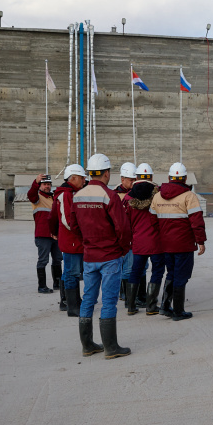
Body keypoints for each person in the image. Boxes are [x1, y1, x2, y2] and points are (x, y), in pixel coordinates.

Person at [68, 153, 131, 359]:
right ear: (106, 173)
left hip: (89, 256)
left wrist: (87, 241)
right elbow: (122, 228)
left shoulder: (77, 196)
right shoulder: (110, 196)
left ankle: (88, 345)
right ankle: (110, 347)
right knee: (109, 301)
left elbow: (74, 225)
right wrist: (122, 248)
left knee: (88, 299)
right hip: (110, 255)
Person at [151, 162, 206, 320]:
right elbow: (196, 222)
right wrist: (200, 241)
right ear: (185, 178)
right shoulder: (189, 196)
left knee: (171, 273)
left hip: (166, 244)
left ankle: (165, 306)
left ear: (169, 178)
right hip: (184, 244)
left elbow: (153, 221)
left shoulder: (157, 196)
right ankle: (178, 311)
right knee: (181, 275)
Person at [49, 164, 88, 317]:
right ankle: (72, 306)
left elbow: (52, 217)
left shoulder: (71, 192)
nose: (84, 180)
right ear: (72, 178)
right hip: (72, 239)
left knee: (71, 271)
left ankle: (72, 301)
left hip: (74, 239)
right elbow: (68, 220)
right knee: (72, 272)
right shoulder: (65, 194)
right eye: (81, 177)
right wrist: (83, 232)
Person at [123, 178, 164, 316]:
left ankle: (131, 305)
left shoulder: (129, 202)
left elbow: (126, 223)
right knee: (157, 271)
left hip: (138, 242)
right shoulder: (157, 199)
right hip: (155, 242)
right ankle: (151, 306)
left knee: (135, 271)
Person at [27, 174, 62, 297]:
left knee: (58, 259)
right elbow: (31, 194)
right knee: (43, 260)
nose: (47, 186)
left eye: (48, 184)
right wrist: (35, 182)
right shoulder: (37, 198)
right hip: (43, 235)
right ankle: (42, 286)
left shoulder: (53, 198)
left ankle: (57, 283)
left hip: (55, 235)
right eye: (44, 184)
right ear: (40, 186)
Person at [115, 163, 137, 303]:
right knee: (127, 267)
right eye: (130, 180)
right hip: (124, 236)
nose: (133, 182)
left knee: (138, 267)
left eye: (135, 179)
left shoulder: (136, 194)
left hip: (136, 236)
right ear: (122, 179)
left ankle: (134, 293)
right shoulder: (115, 195)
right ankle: (126, 294)